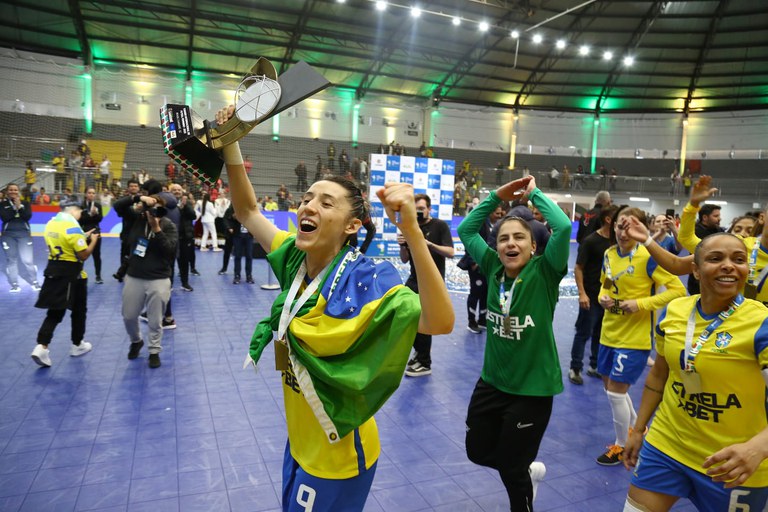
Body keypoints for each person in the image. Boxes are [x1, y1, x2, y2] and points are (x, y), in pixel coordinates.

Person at [217, 104, 453, 512]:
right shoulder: (293, 259)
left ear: (351, 226)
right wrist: (231, 145)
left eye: (327, 203)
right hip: (300, 439)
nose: (309, 206)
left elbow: (439, 322)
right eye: (308, 198)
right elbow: (248, 211)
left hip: (339, 454)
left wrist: (412, 231)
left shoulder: (365, 278)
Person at [622, 232, 768, 512]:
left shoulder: (761, 322)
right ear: (696, 270)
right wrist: (638, 429)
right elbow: (659, 375)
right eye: (716, 258)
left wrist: (758, 448)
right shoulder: (676, 310)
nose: (729, 265)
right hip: (667, 444)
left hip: (733, 461)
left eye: (738, 259)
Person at [457, 176, 571, 511]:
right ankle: (524, 469)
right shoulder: (491, 265)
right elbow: (466, 230)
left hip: (532, 391)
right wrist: (496, 197)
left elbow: (563, 227)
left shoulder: (546, 272)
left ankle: (522, 492)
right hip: (492, 383)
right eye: (503, 238)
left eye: (519, 237)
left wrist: (533, 194)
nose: (510, 243)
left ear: (533, 246)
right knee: (476, 451)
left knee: (510, 467)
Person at [595, 207, 686, 466]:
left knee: (615, 393)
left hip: (634, 339)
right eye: (619, 226)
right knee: (612, 391)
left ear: (640, 228)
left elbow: (678, 291)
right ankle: (637, 429)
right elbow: (607, 282)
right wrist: (603, 296)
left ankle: (622, 445)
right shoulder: (609, 253)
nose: (623, 232)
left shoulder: (648, 257)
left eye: (629, 226)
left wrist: (641, 304)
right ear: (612, 227)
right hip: (608, 333)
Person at [30, 196, 100, 367]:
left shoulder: (51, 223)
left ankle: (42, 345)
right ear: (73, 210)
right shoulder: (72, 227)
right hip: (72, 275)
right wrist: (93, 241)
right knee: (79, 311)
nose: (80, 216)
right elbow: (83, 254)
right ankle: (77, 344)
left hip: (53, 270)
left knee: (54, 311)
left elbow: (64, 241)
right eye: (80, 212)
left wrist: (82, 236)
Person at [113, 187, 177, 368]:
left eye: (158, 208)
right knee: (129, 316)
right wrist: (139, 199)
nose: (154, 212)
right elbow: (117, 206)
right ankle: (136, 341)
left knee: (156, 320)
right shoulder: (135, 220)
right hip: (134, 276)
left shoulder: (168, 226)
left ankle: (154, 350)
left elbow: (170, 252)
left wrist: (156, 229)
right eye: (152, 207)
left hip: (159, 278)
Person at [399, 193, 455, 377]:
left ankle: (425, 362)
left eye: (422, 209)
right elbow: (405, 260)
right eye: (415, 210)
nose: (419, 213)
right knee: (407, 317)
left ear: (429, 209)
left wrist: (428, 244)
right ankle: (419, 353)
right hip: (414, 279)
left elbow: (450, 252)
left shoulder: (439, 226)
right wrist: (403, 245)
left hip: (432, 282)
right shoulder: (411, 228)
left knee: (424, 319)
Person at [568, 205, 619, 385]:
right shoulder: (591, 241)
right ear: (608, 219)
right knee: (584, 332)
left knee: (600, 332)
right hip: (590, 294)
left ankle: (595, 366)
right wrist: (582, 293)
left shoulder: (616, 243)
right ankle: (575, 368)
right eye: (618, 218)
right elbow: (578, 268)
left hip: (605, 297)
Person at [458, 204, 504, 333]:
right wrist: (474, 262)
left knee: (485, 292)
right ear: (489, 212)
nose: (499, 216)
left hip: (485, 265)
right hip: (476, 266)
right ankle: (471, 322)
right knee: (476, 293)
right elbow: (469, 241)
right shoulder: (480, 223)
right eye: (497, 213)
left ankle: (483, 320)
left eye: (501, 214)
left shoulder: (492, 224)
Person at [1, 183, 40, 292]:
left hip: (24, 235)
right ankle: (15, 285)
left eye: (15, 190)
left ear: (18, 191)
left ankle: (34, 282)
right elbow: (5, 218)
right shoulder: (2, 204)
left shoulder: (25, 203)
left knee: (27, 260)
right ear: (7, 192)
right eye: (11, 190)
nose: (13, 191)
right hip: (8, 235)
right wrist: (15, 208)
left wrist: (20, 207)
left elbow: (27, 216)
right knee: (11, 260)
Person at [113, 179, 141, 282]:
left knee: (138, 253)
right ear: (128, 188)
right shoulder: (124, 201)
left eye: (135, 186)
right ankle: (122, 274)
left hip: (140, 233)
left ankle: (136, 273)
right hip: (127, 233)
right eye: (131, 186)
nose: (133, 188)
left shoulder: (143, 200)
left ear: (138, 188)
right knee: (124, 253)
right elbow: (119, 212)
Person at [170, 183, 195, 291]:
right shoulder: (167, 203)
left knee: (184, 262)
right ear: (170, 192)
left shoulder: (187, 202)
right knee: (169, 262)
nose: (177, 192)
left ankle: (185, 283)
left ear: (182, 192)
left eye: (179, 190)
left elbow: (193, 216)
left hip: (184, 238)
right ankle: (169, 285)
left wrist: (185, 207)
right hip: (170, 237)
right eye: (174, 190)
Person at [224, 203, 254, 284]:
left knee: (249, 256)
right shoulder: (233, 207)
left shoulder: (251, 207)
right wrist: (230, 226)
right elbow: (226, 218)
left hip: (248, 236)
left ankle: (249, 275)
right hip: (237, 235)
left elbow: (256, 219)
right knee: (237, 256)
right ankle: (237, 276)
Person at [79, 187, 104, 283]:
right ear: (85, 194)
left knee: (97, 255)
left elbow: (100, 219)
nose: (91, 195)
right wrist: (90, 216)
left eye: (93, 193)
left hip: (95, 233)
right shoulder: (81, 206)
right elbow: (79, 220)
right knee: (81, 255)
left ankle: (98, 276)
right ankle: (79, 273)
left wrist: (96, 214)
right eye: (89, 193)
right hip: (83, 233)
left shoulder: (98, 205)